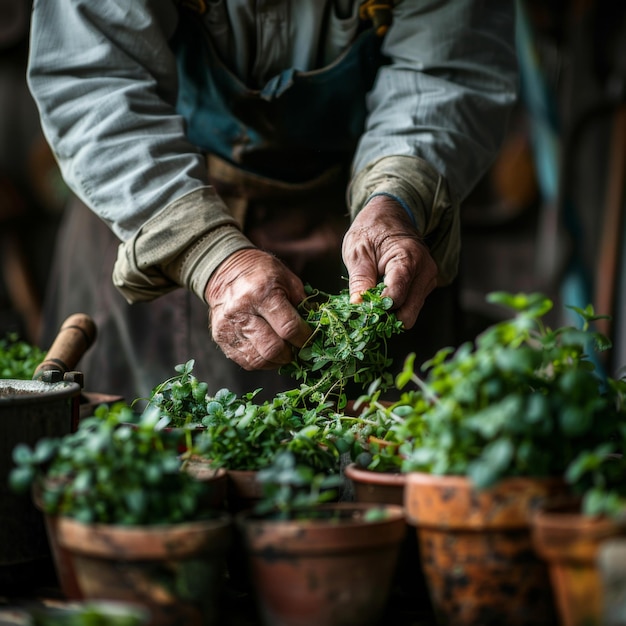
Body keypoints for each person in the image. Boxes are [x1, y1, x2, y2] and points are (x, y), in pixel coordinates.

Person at [27, 0, 518, 403]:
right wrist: (211, 258)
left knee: (375, 453)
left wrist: (398, 196)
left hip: (355, 203)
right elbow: (90, 73)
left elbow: (449, 67)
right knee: (137, 462)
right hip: (149, 198)